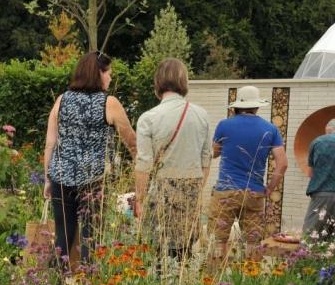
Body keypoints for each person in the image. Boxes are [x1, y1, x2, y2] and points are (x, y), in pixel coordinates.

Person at [44, 51, 136, 264]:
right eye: (108, 73)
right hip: (93, 181)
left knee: (62, 238)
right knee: (90, 238)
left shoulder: (61, 100)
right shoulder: (109, 102)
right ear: (98, 74)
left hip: (61, 177)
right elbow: (131, 141)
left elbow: (50, 143)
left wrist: (48, 178)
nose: (110, 78)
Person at [134, 58, 211, 261]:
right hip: (192, 188)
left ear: (157, 82)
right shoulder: (201, 115)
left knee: (159, 250)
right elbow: (206, 159)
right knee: (185, 250)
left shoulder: (148, 118)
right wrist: (196, 187)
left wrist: (139, 200)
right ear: (184, 81)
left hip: (161, 189)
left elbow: (143, 164)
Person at [207, 85, 287, 268]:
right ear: (257, 106)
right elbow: (282, 163)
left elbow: (214, 153)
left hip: (225, 191)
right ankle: (251, 281)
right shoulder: (270, 129)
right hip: (254, 192)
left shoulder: (224, 125)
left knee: (218, 240)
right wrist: (270, 188)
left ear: (236, 106)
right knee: (252, 242)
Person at [302, 119, 335, 242]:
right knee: (331, 241)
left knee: (310, 236)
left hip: (322, 194)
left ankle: (306, 260)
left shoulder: (317, 142)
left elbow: (310, 173)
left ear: (327, 130)